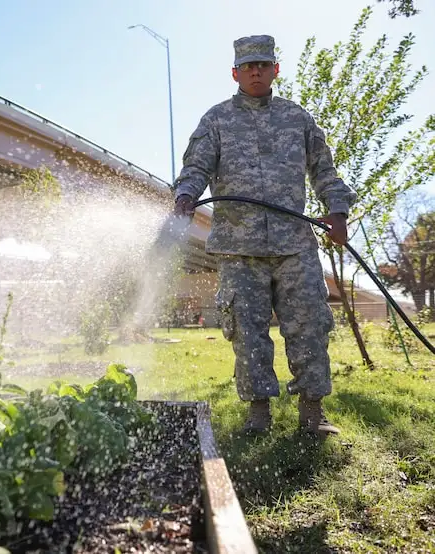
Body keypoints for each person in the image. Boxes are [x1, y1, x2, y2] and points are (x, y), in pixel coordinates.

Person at [172, 35, 357, 435]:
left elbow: (324, 170)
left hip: (295, 245)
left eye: (264, 64)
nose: (256, 71)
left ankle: (312, 414)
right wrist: (186, 196)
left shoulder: (298, 119)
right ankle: (258, 415)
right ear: (235, 73)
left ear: (276, 70)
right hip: (239, 248)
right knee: (247, 331)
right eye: (248, 66)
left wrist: (338, 211)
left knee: (309, 325)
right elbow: (196, 166)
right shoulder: (216, 120)